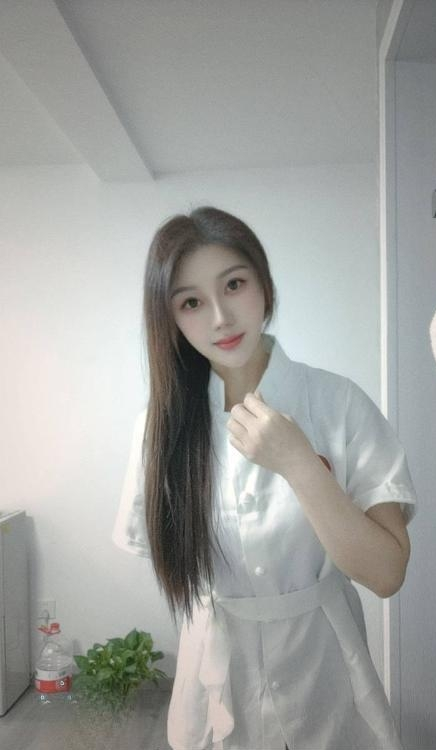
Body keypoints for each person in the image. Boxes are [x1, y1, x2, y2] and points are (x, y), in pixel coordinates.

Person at [112, 206, 418, 750]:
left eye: (234, 284)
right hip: (213, 688)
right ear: (171, 319)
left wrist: (299, 464)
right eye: (191, 302)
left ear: (264, 285)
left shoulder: (338, 403)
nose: (220, 318)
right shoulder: (157, 430)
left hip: (325, 676)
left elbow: (386, 573)